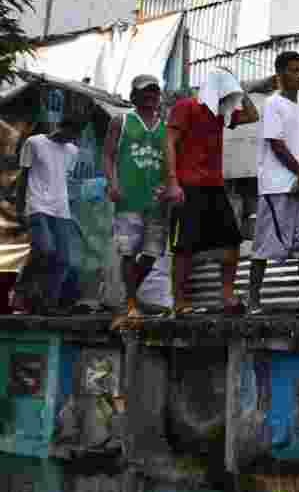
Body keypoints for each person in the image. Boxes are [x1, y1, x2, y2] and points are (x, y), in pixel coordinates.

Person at [165, 70, 259, 316]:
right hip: (187, 185)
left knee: (231, 241)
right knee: (185, 246)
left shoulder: (221, 113)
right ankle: (180, 302)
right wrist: (173, 182)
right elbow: (169, 142)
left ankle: (227, 296)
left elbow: (252, 114)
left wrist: (238, 88)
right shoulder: (186, 107)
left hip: (215, 185)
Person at [249, 52, 299, 317]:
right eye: (294, 70)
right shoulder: (272, 104)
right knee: (264, 245)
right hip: (276, 186)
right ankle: (253, 302)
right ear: (280, 74)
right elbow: (276, 143)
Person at [103, 74, 168, 326]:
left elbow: (171, 160)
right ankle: (130, 304)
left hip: (157, 200)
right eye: (145, 91)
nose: (151, 95)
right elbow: (108, 155)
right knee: (128, 252)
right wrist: (112, 182)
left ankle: (128, 299)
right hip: (128, 197)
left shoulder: (165, 125)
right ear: (134, 95)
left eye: (154, 91)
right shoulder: (122, 120)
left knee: (152, 253)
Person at [16, 116, 85, 316]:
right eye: (69, 135)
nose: (70, 140)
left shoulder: (72, 150)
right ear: (60, 127)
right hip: (37, 205)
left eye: (74, 137)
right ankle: (23, 288)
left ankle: (48, 303)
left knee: (63, 259)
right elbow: (23, 177)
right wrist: (20, 208)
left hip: (61, 209)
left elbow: (63, 179)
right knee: (45, 249)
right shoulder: (34, 142)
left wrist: (73, 215)